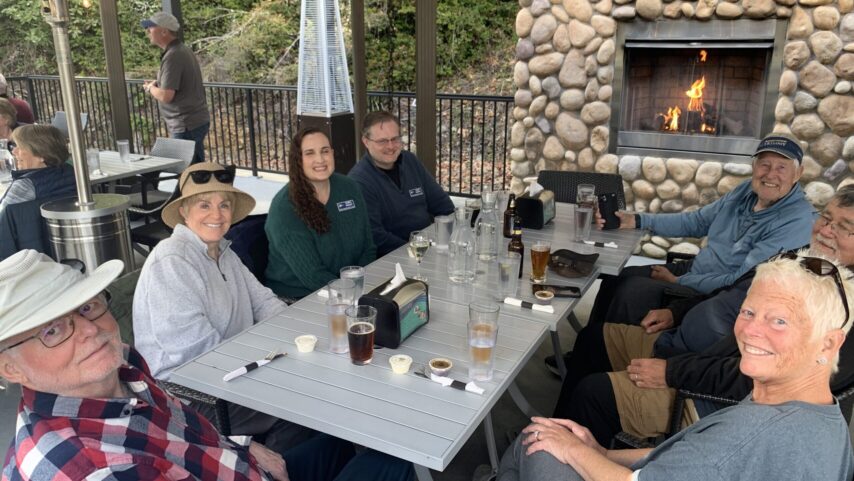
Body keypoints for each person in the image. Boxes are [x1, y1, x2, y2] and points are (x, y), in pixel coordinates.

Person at [0, 250, 415, 481]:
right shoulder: (93, 467)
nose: (90, 330)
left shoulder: (122, 368)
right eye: (52, 331)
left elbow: (181, 432)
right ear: (10, 369)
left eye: (88, 306)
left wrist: (244, 447)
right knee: (395, 463)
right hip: (218, 390)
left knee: (347, 440)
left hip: (240, 463)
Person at [500, 252, 854, 481]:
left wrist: (574, 450)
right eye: (748, 312)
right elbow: (697, 457)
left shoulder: (754, 431)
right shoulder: (817, 414)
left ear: (829, 343)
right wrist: (603, 453)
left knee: (536, 439)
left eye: (779, 321)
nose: (750, 331)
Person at [552, 186, 854, 445]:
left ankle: (571, 458)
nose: (826, 230)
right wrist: (676, 311)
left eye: (844, 227)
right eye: (826, 218)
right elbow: (732, 290)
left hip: (709, 397)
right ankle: (551, 437)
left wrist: (673, 372)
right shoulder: (804, 260)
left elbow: (762, 379)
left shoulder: (841, 306)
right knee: (593, 339)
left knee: (594, 394)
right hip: (684, 348)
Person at [133, 162, 314, 452]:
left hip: (235, 373)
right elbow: (196, 353)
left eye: (224, 205)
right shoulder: (172, 260)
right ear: (184, 211)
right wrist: (268, 361)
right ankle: (261, 467)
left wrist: (292, 339)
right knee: (298, 402)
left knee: (311, 384)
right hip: (190, 395)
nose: (216, 215)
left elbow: (265, 302)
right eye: (204, 205)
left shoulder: (224, 253)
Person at [586, 132, 814, 327]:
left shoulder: (796, 220)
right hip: (696, 269)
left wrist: (679, 282)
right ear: (754, 166)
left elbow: (740, 282)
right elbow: (697, 221)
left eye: (782, 167)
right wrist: (637, 220)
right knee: (616, 277)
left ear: (798, 173)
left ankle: (608, 350)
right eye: (765, 164)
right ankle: (585, 349)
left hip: (715, 294)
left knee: (629, 291)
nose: (770, 174)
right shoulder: (746, 190)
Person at [265, 128, 376, 299]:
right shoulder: (284, 207)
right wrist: (352, 293)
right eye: (310, 153)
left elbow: (368, 248)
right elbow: (312, 275)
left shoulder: (349, 187)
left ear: (332, 153)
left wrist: (360, 284)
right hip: (298, 298)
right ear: (298, 160)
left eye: (325, 151)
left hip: (351, 289)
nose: (320, 159)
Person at [348, 111, 454, 256]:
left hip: (427, 245)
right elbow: (376, 236)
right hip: (392, 258)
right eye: (382, 141)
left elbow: (443, 206)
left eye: (395, 139)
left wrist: (448, 240)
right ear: (366, 142)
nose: (390, 146)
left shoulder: (409, 160)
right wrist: (416, 250)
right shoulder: (359, 181)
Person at [141, 12, 210, 164]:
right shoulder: (181, 50)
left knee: (188, 171)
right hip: (193, 121)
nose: (148, 31)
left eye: (151, 27)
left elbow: (166, 96)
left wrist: (150, 88)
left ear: (164, 31)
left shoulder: (173, 56)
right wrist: (158, 82)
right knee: (195, 169)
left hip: (186, 124)